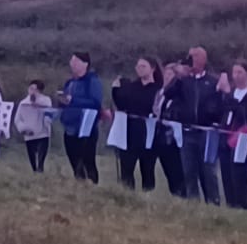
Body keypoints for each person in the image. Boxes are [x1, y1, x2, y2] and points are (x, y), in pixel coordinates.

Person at [179, 46, 223, 206]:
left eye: (195, 56)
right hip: (187, 131)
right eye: (190, 56)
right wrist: (179, 76)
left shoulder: (212, 81)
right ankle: (193, 203)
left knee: (208, 170)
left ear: (203, 59)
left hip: (207, 132)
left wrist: (215, 119)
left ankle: (213, 202)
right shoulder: (183, 81)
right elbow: (169, 93)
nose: (192, 60)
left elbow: (220, 103)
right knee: (189, 170)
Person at [111, 58, 161, 191]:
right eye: (138, 66)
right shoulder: (131, 87)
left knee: (147, 169)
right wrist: (115, 91)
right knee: (126, 169)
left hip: (148, 134)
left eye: (143, 66)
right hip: (129, 132)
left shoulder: (158, 89)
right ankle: (128, 196)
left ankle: (148, 198)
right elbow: (122, 105)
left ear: (152, 68)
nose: (139, 68)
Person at [57, 52, 103, 182]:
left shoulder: (92, 81)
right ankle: (79, 186)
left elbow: (95, 103)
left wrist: (73, 100)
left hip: (86, 128)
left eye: (76, 62)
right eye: (71, 61)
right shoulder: (70, 82)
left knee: (88, 161)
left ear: (85, 64)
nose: (72, 65)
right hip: (69, 127)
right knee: (74, 161)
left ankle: (92, 187)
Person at [220, 62, 247, 212]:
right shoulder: (230, 94)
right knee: (226, 174)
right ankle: (231, 205)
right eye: (234, 72)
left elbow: (244, 114)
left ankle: (245, 207)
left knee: (239, 175)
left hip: (241, 138)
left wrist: (229, 96)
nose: (236, 76)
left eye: (240, 72)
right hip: (225, 137)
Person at [155, 58, 190, 198]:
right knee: (167, 167)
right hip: (161, 133)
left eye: (171, 75)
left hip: (175, 136)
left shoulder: (179, 95)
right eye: (166, 74)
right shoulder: (161, 93)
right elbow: (156, 108)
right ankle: (174, 193)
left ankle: (182, 194)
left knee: (177, 169)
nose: (168, 77)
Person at [13, 80, 53, 172]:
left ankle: (40, 171)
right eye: (31, 89)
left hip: (43, 134)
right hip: (29, 135)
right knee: (32, 159)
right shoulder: (23, 103)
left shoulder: (46, 100)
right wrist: (23, 129)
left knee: (40, 159)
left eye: (36, 90)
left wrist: (39, 106)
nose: (33, 91)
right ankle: (34, 173)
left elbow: (49, 114)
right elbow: (17, 119)